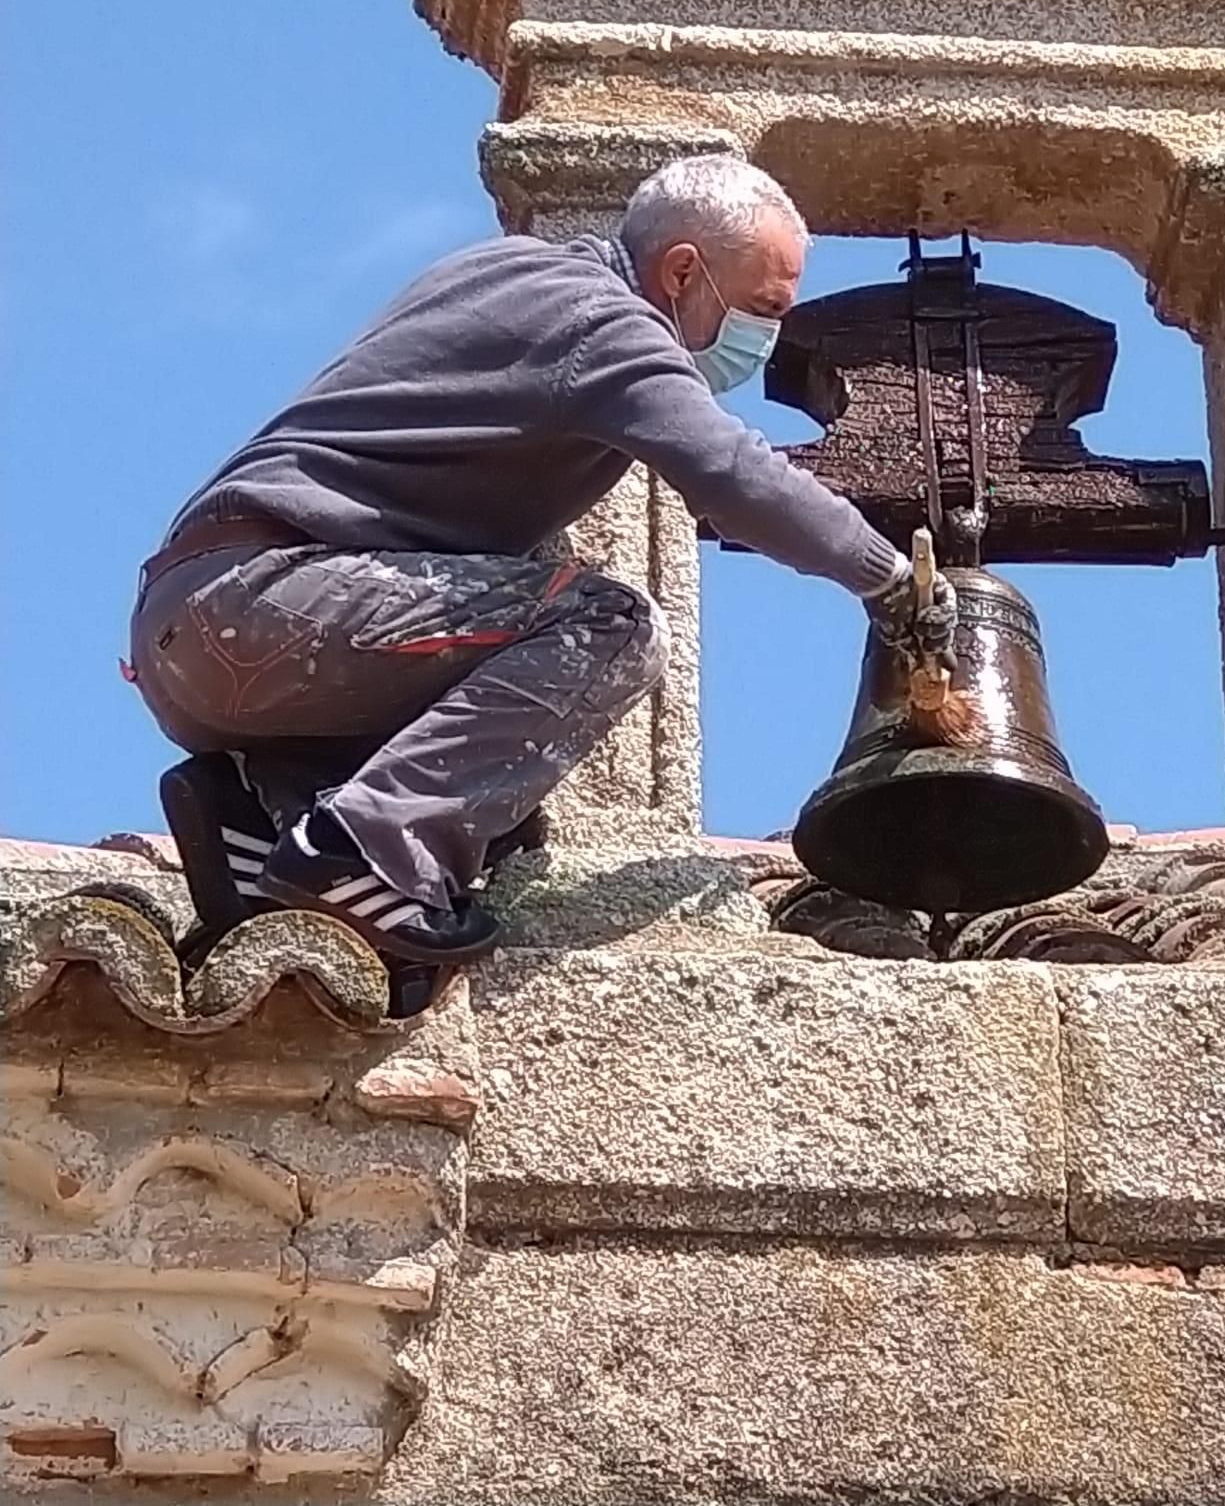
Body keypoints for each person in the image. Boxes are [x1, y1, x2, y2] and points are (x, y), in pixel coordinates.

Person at [129, 155, 955, 964]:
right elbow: (733, 475)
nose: (766, 340)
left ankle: (258, 811)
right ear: (681, 273)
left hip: (201, 627)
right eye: (761, 309)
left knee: (500, 791)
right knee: (611, 627)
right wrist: (886, 577)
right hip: (271, 602)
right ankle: (368, 850)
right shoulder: (603, 321)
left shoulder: (503, 274)